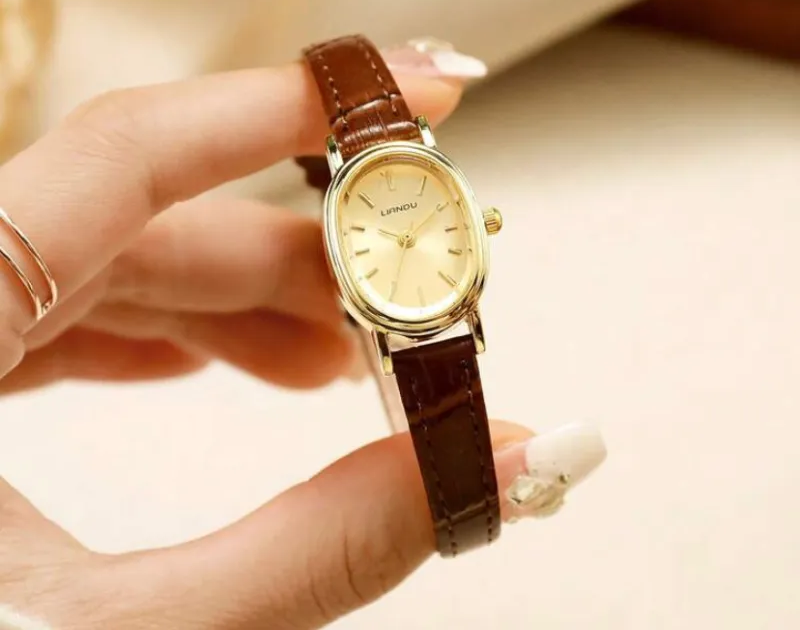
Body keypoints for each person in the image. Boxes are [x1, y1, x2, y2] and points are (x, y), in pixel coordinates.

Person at [0, 50, 604, 629]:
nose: (405, 239)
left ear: (477, 220)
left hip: (441, 303)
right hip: (410, 304)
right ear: (341, 262)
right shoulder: (358, 224)